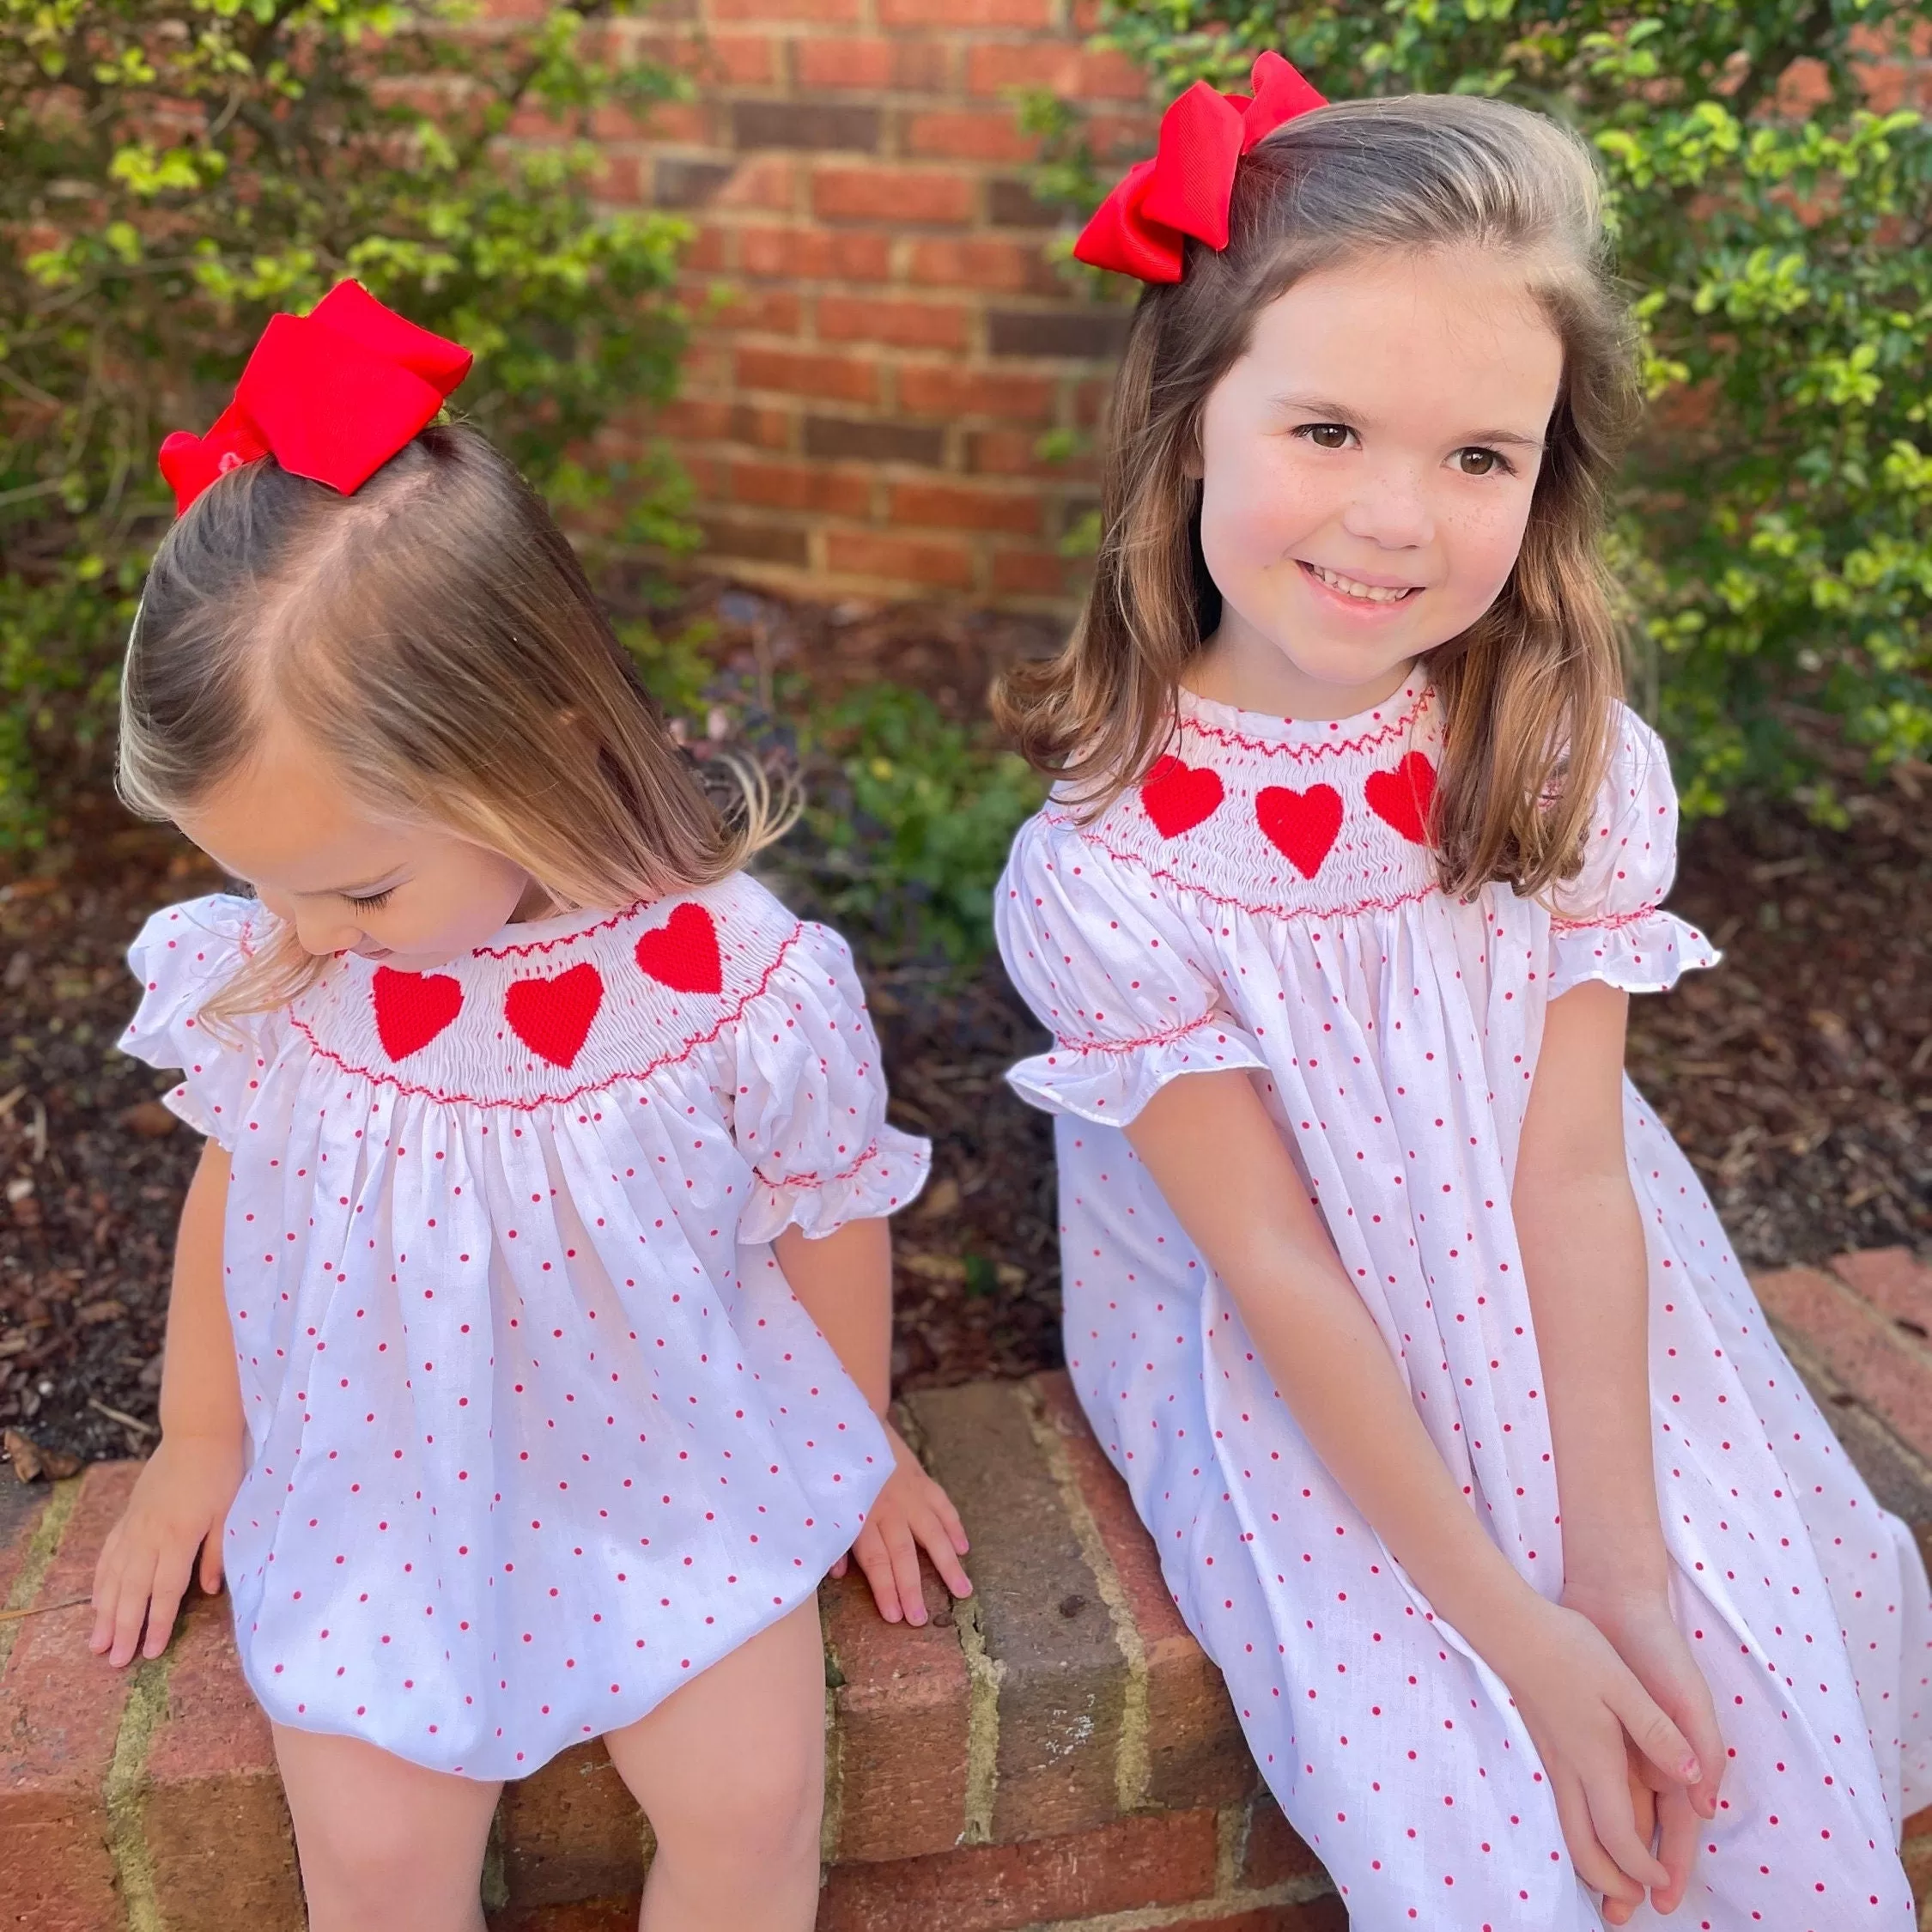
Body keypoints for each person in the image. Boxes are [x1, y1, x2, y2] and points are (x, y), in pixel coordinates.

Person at [993, 55, 1929, 1929]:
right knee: (1485, 1803)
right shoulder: (1110, 878)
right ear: (1189, 425)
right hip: (1291, 1359)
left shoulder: (1563, 755)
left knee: (1725, 1695)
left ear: (1542, 474)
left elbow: (1571, 1172)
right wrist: (1517, 1628)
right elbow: (1277, 1277)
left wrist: (1621, 1570)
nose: (1397, 520)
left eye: (1477, 457)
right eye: (1327, 431)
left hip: (1561, 1277)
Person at [88, 282, 972, 1932]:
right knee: (371, 1860)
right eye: (258, 885)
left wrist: (854, 1447)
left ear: (534, 754)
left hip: (682, 1476)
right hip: (384, 1491)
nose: (301, 933)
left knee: (755, 1810)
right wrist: (201, 1436)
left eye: (350, 885)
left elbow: (826, 1212)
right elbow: (240, 1183)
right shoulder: (299, 968)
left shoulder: (730, 981)